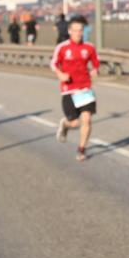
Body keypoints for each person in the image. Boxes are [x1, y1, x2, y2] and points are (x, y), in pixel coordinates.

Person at [52, 17, 101, 161]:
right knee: (75, 122)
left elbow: (96, 62)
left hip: (85, 88)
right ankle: (65, 124)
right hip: (69, 89)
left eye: (81, 30)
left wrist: (95, 70)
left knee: (87, 120)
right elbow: (53, 63)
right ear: (69, 31)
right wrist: (60, 74)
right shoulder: (62, 47)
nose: (78, 33)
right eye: (75, 31)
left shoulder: (89, 47)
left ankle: (81, 149)